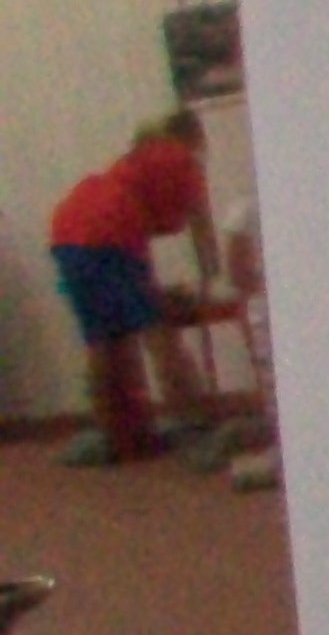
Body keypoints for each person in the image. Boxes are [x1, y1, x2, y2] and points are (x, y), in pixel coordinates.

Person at [46, 108, 221, 460]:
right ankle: (193, 421)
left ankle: (117, 435)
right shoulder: (183, 160)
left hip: (67, 231)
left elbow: (133, 237)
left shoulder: (137, 157)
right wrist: (211, 278)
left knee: (103, 338)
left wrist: (151, 287)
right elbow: (201, 225)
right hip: (110, 233)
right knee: (158, 332)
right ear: (194, 137)